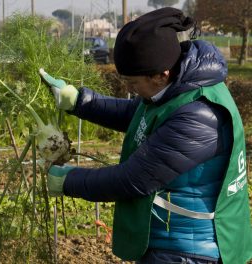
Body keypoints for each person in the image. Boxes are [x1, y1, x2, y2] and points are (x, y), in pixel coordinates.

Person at [40, 7, 252, 264]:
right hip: (169, 243)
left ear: (161, 75)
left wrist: (68, 181)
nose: (131, 90)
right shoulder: (178, 87)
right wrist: (79, 101)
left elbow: (133, 179)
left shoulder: (199, 115)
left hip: (189, 251)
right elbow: (140, 114)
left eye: (133, 83)